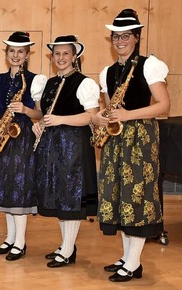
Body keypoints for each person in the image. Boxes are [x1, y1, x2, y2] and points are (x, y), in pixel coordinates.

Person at [93, 8, 169, 282]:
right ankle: (128, 259)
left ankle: (134, 262)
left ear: (136, 37)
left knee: (136, 196)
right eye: (116, 36)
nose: (120, 40)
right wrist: (102, 117)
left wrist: (128, 115)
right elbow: (108, 107)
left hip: (140, 138)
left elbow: (164, 106)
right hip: (116, 138)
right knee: (119, 197)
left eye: (126, 36)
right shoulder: (108, 72)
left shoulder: (149, 65)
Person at [31, 35, 99, 268]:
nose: (60, 58)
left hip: (74, 147)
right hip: (53, 146)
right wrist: (38, 123)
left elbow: (91, 116)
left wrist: (59, 119)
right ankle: (66, 244)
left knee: (71, 197)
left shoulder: (84, 83)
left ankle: (68, 250)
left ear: (74, 56)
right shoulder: (49, 83)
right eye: (56, 54)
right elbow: (44, 115)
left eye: (65, 53)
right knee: (60, 195)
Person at [0, 31, 46, 261]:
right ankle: (10, 238)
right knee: (6, 189)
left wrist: (25, 110)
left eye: (20, 51)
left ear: (27, 54)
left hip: (22, 138)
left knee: (19, 190)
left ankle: (20, 242)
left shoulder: (36, 79)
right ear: (7, 53)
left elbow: (40, 113)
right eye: (12, 51)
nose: (16, 55)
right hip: (3, 137)